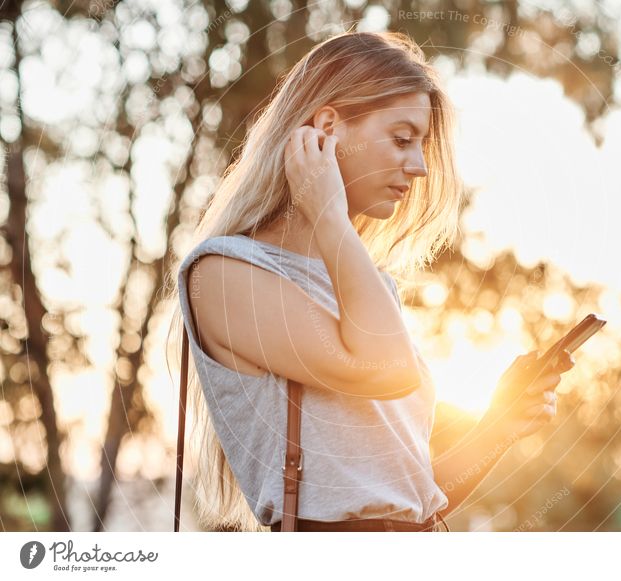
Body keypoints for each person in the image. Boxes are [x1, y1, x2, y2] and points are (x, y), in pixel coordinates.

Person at [165, 29, 573, 532]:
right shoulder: (224, 274)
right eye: (403, 139)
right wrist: (330, 215)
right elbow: (386, 367)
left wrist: (498, 425)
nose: (420, 167)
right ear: (327, 128)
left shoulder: (367, 285)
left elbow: (410, 499)